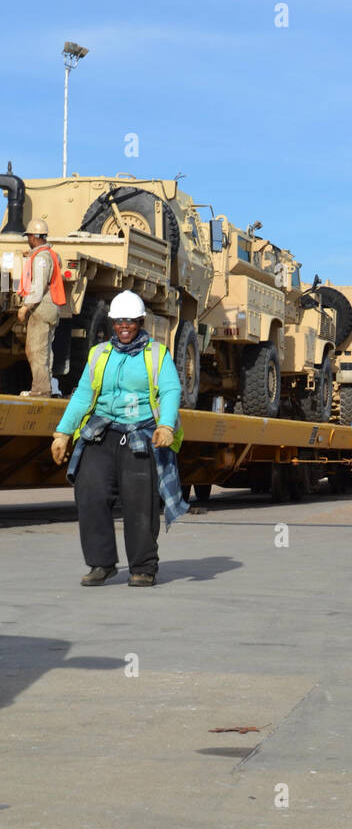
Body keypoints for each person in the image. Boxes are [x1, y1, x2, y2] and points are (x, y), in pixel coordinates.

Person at [50, 291, 187, 587]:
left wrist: (165, 426)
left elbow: (171, 390)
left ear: (140, 322)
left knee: (140, 501)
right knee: (90, 492)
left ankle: (143, 567)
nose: (124, 326)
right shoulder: (99, 354)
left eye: (130, 321)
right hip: (103, 431)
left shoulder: (156, 354)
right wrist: (62, 432)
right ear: (112, 323)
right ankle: (101, 564)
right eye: (119, 321)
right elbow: (84, 395)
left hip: (142, 433)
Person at [16, 216, 65, 397]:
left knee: (36, 349)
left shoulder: (42, 258)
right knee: (44, 350)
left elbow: (38, 285)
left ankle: (40, 390)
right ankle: (45, 387)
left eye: (28, 236)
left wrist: (25, 307)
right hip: (50, 308)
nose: (28, 240)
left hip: (41, 309)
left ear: (34, 237)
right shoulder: (50, 255)